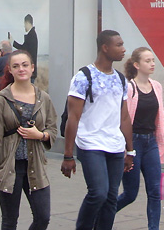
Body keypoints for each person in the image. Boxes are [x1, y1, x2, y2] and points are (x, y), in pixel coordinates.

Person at [61, 30, 134, 230]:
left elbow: (125, 117)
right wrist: (68, 155)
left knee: (111, 198)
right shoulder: (83, 77)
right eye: (118, 45)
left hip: (115, 146)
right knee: (98, 193)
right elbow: (73, 117)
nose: (123, 49)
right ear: (105, 47)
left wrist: (130, 150)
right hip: (90, 143)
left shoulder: (120, 79)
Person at [0, 50, 58, 230]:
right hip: (9, 166)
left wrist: (40, 135)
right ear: (10, 70)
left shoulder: (43, 98)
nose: (21, 69)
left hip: (35, 165)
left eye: (25, 65)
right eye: (16, 66)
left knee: (43, 217)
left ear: (32, 68)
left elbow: (52, 129)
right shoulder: (1, 100)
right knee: (9, 221)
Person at [116, 48, 164, 230]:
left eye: (153, 60)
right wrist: (127, 148)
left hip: (151, 143)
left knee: (155, 192)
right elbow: (123, 120)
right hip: (133, 144)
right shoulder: (128, 88)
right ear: (136, 65)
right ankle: (102, 216)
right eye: (147, 61)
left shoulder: (156, 86)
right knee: (130, 194)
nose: (152, 64)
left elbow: (161, 119)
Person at [13, 15, 38, 80]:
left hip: (29, 71)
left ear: (27, 23)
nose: (24, 26)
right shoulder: (31, 34)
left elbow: (24, 49)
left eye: (24, 24)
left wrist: (13, 42)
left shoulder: (31, 35)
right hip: (30, 70)